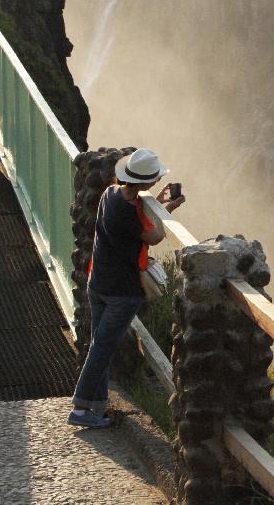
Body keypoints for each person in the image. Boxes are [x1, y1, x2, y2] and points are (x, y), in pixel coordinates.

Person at [68, 148, 186, 428]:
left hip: (98, 282)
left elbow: (136, 219)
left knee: (100, 343)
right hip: (121, 290)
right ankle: (81, 408)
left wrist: (156, 202)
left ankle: (95, 407)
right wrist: (168, 209)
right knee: (103, 349)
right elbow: (154, 236)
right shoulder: (126, 210)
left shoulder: (112, 194)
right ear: (146, 182)